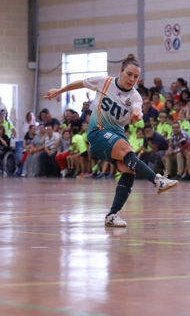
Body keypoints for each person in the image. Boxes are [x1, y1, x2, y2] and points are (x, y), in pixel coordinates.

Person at [44, 56, 177, 228]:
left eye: (135, 77)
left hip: (116, 135)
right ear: (120, 72)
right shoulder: (104, 82)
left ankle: (113, 215)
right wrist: (59, 90)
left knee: (129, 170)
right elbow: (81, 83)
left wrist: (137, 115)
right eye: (129, 74)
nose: (132, 79)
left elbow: (137, 110)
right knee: (125, 147)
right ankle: (157, 180)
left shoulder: (135, 96)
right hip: (97, 133)